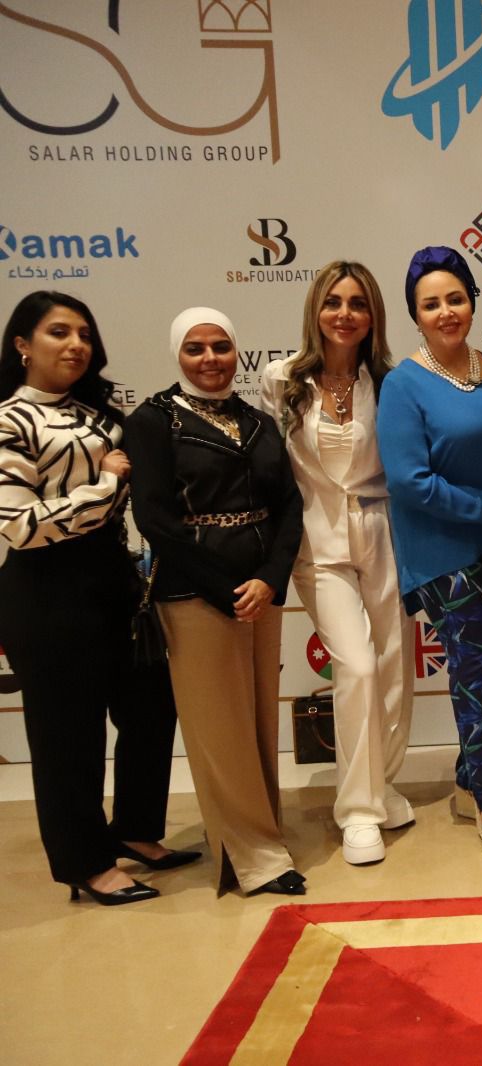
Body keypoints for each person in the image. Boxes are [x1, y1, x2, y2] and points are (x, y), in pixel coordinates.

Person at [0, 291, 195, 906]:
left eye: (84, 334)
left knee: (151, 708)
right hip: (46, 590)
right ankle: (86, 863)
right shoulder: (9, 420)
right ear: (22, 344)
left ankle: (136, 831)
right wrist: (107, 483)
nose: (76, 344)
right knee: (68, 735)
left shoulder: (103, 416)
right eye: (58, 332)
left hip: (116, 582)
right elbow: (19, 526)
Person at [124, 307, 306, 896]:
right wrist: (226, 591)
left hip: (261, 591)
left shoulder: (257, 421)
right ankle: (254, 860)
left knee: (257, 721)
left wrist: (270, 579)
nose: (210, 359)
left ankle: (264, 835)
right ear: (178, 354)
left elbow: (290, 506)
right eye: (195, 348)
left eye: (221, 347)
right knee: (220, 729)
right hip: (195, 595)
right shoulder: (153, 421)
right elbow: (154, 519)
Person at [377, 246, 482, 860]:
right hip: (443, 549)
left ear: (472, 301)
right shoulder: (403, 385)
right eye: (431, 304)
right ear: (415, 315)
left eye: (455, 298)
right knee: (472, 674)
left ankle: (468, 783)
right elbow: (408, 482)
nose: (446, 311)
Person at [262, 261, 415, 866]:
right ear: (315, 311)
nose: (344, 314)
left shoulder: (392, 381)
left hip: (384, 535)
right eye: (333, 302)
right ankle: (357, 811)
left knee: (394, 668)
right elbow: (271, 468)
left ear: (373, 315)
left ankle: (381, 783)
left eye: (357, 303)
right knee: (356, 666)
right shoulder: (282, 379)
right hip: (317, 543)